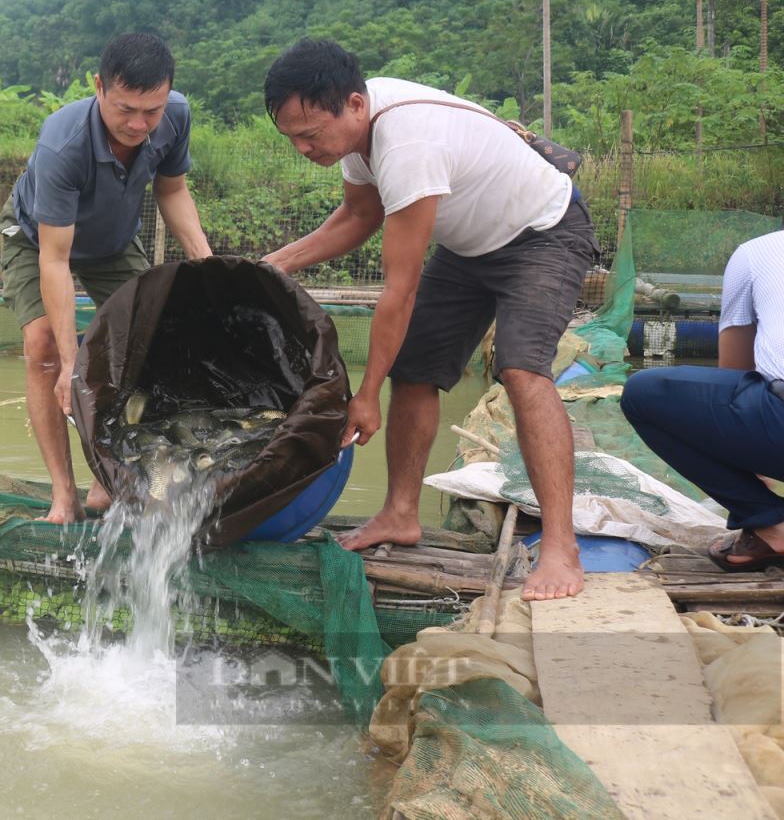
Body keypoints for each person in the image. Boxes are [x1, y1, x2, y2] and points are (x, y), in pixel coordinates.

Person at [260, 39, 598, 601]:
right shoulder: (355, 132)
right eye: (291, 137)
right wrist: (271, 266)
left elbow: (400, 288)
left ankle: (561, 547)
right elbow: (358, 215)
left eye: (311, 134)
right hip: (470, 246)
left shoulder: (407, 143)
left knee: (521, 370)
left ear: (353, 104)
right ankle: (400, 513)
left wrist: (365, 395)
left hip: (543, 232)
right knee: (415, 369)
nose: (302, 148)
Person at [0, 32, 213, 525]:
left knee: (149, 341)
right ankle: (63, 494)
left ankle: (107, 480)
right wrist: (72, 364)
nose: (138, 124)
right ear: (99, 87)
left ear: (168, 94)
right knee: (44, 348)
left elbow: (173, 190)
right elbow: (55, 260)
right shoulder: (63, 142)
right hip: (37, 240)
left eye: (151, 111)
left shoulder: (175, 115)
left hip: (112, 241)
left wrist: (206, 263)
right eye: (125, 109)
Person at [621, 230, 784, 571]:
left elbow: (734, 377)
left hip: (776, 425)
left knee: (643, 394)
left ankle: (771, 523)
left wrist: (747, 467)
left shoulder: (757, 252)